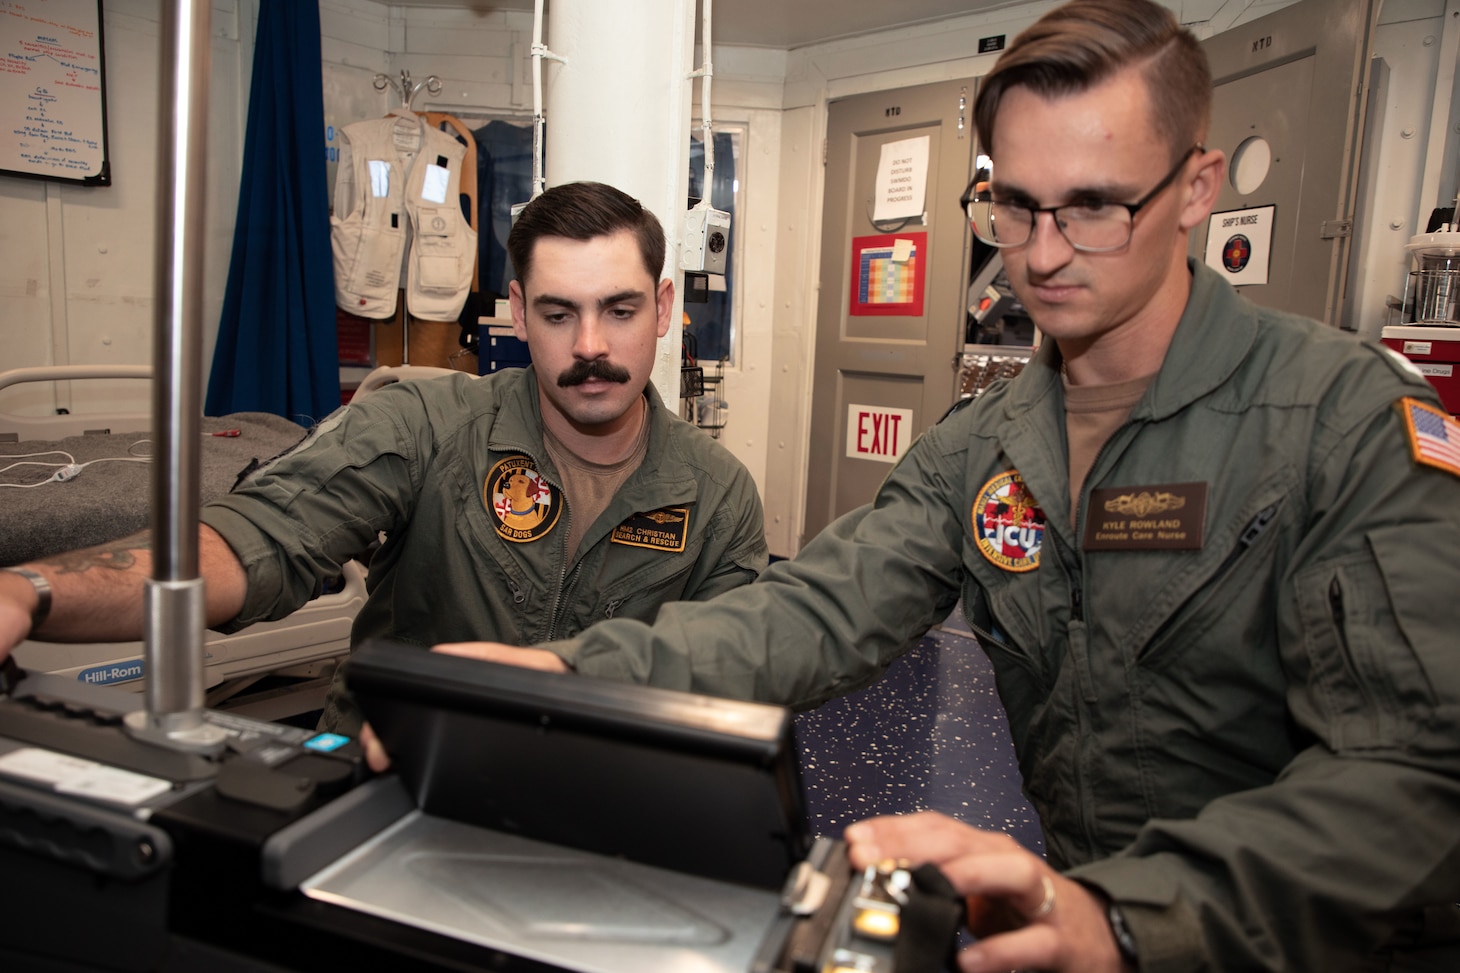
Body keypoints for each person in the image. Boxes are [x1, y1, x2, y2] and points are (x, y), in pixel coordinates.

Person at [416, 3, 1460, 971]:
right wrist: (565, 675)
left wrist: (1125, 917)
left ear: (1194, 188)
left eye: (1091, 207)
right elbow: (813, 610)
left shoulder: (1342, 420)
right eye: (1010, 204)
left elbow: (1413, 775)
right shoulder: (986, 444)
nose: (1039, 256)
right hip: (1070, 918)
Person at [0, 181, 769, 736]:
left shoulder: (717, 494)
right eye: (559, 313)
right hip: (383, 771)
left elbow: (722, 679)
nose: (591, 346)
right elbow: (256, 538)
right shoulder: (425, 422)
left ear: (664, 308)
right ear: (518, 311)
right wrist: (30, 589)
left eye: (621, 310)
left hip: (588, 795)